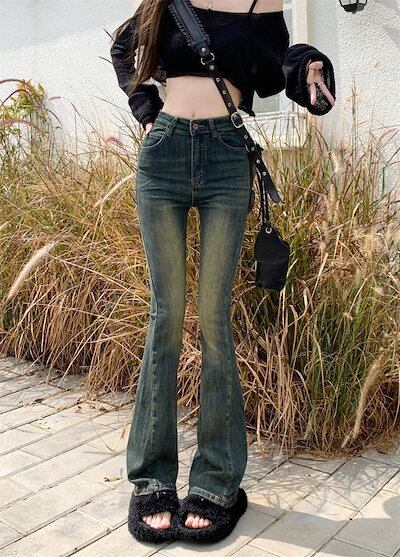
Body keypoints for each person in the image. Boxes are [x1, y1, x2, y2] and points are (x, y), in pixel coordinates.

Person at [109, 0, 335, 544]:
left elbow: (277, 66)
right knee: (165, 316)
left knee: (214, 320)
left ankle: (216, 482)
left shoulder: (262, 4)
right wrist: (146, 108)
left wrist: (309, 67)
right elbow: (123, 46)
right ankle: (151, 478)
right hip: (163, 154)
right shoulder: (168, 2)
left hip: (226, 158)